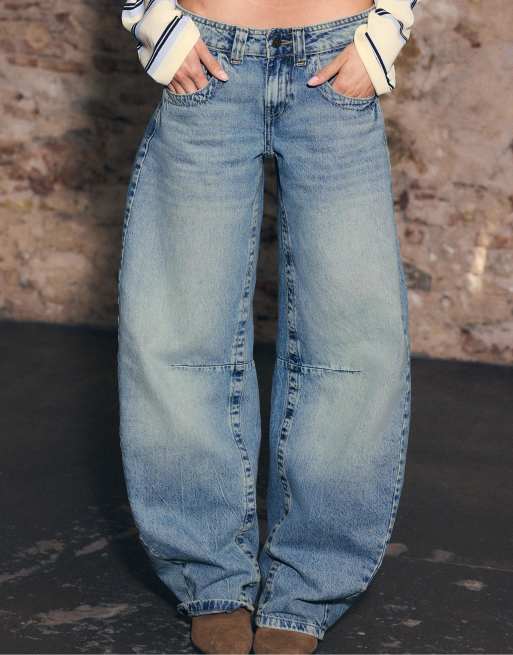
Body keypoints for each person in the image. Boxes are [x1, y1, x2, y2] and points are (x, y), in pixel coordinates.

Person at [117, 0, 419, 652]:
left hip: (334, 61)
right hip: (208, 62)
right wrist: (156, 23)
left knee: (350, 342)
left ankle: (309, 584)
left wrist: (383, 35)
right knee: (180, 333)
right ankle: (210, 577)